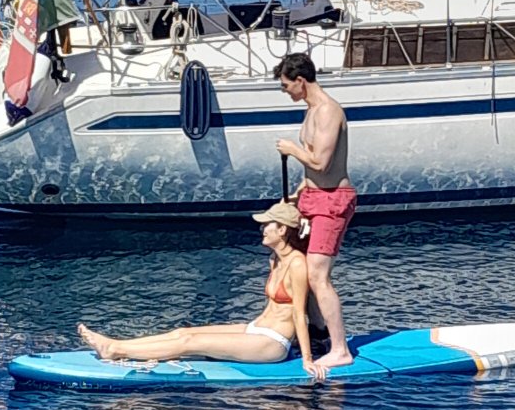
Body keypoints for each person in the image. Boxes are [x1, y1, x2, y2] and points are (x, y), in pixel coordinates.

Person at [78, 200, 326, 380]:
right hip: (256, 329)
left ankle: (114, 350)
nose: (262, 229)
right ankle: (118, 344)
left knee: (189, 342)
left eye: (267, 225)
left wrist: (306, 358)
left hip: (273, 343)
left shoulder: (296, 264)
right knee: (182, 332)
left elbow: (298, 314)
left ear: (282, 230)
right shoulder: (275, 259)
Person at [274, 51, 357, 370]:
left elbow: (321, 162)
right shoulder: (310, 110)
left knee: (318, 275)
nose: (285, 92)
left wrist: (292, 150)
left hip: (333, 199)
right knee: (302, 271)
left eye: (285, 86)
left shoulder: (327, 111)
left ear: (300, 81)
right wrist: (297, 192)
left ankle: (340, 349)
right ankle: (318, 333)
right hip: (312, 196)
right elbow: (315, 167)